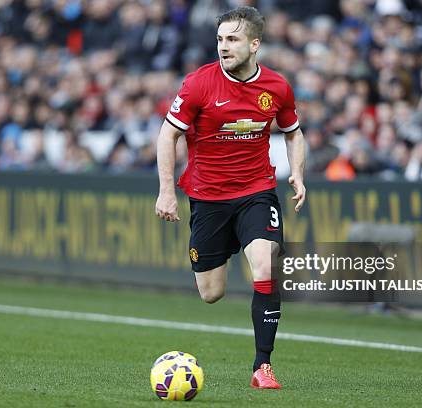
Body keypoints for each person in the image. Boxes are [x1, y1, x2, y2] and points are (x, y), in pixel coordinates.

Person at [154, 6, 306, 389]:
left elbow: (293, 131)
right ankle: (231, 254)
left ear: (254, 44)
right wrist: (167, 191)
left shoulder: (276, 88)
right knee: (211, 293)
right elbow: (167, 135)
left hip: (256, 192)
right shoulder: (198, 84)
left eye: (233, 39)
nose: (223, 46)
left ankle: (262, 366)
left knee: (265, 260)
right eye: (220, 39)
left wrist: (298, 175)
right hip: (207, 198)